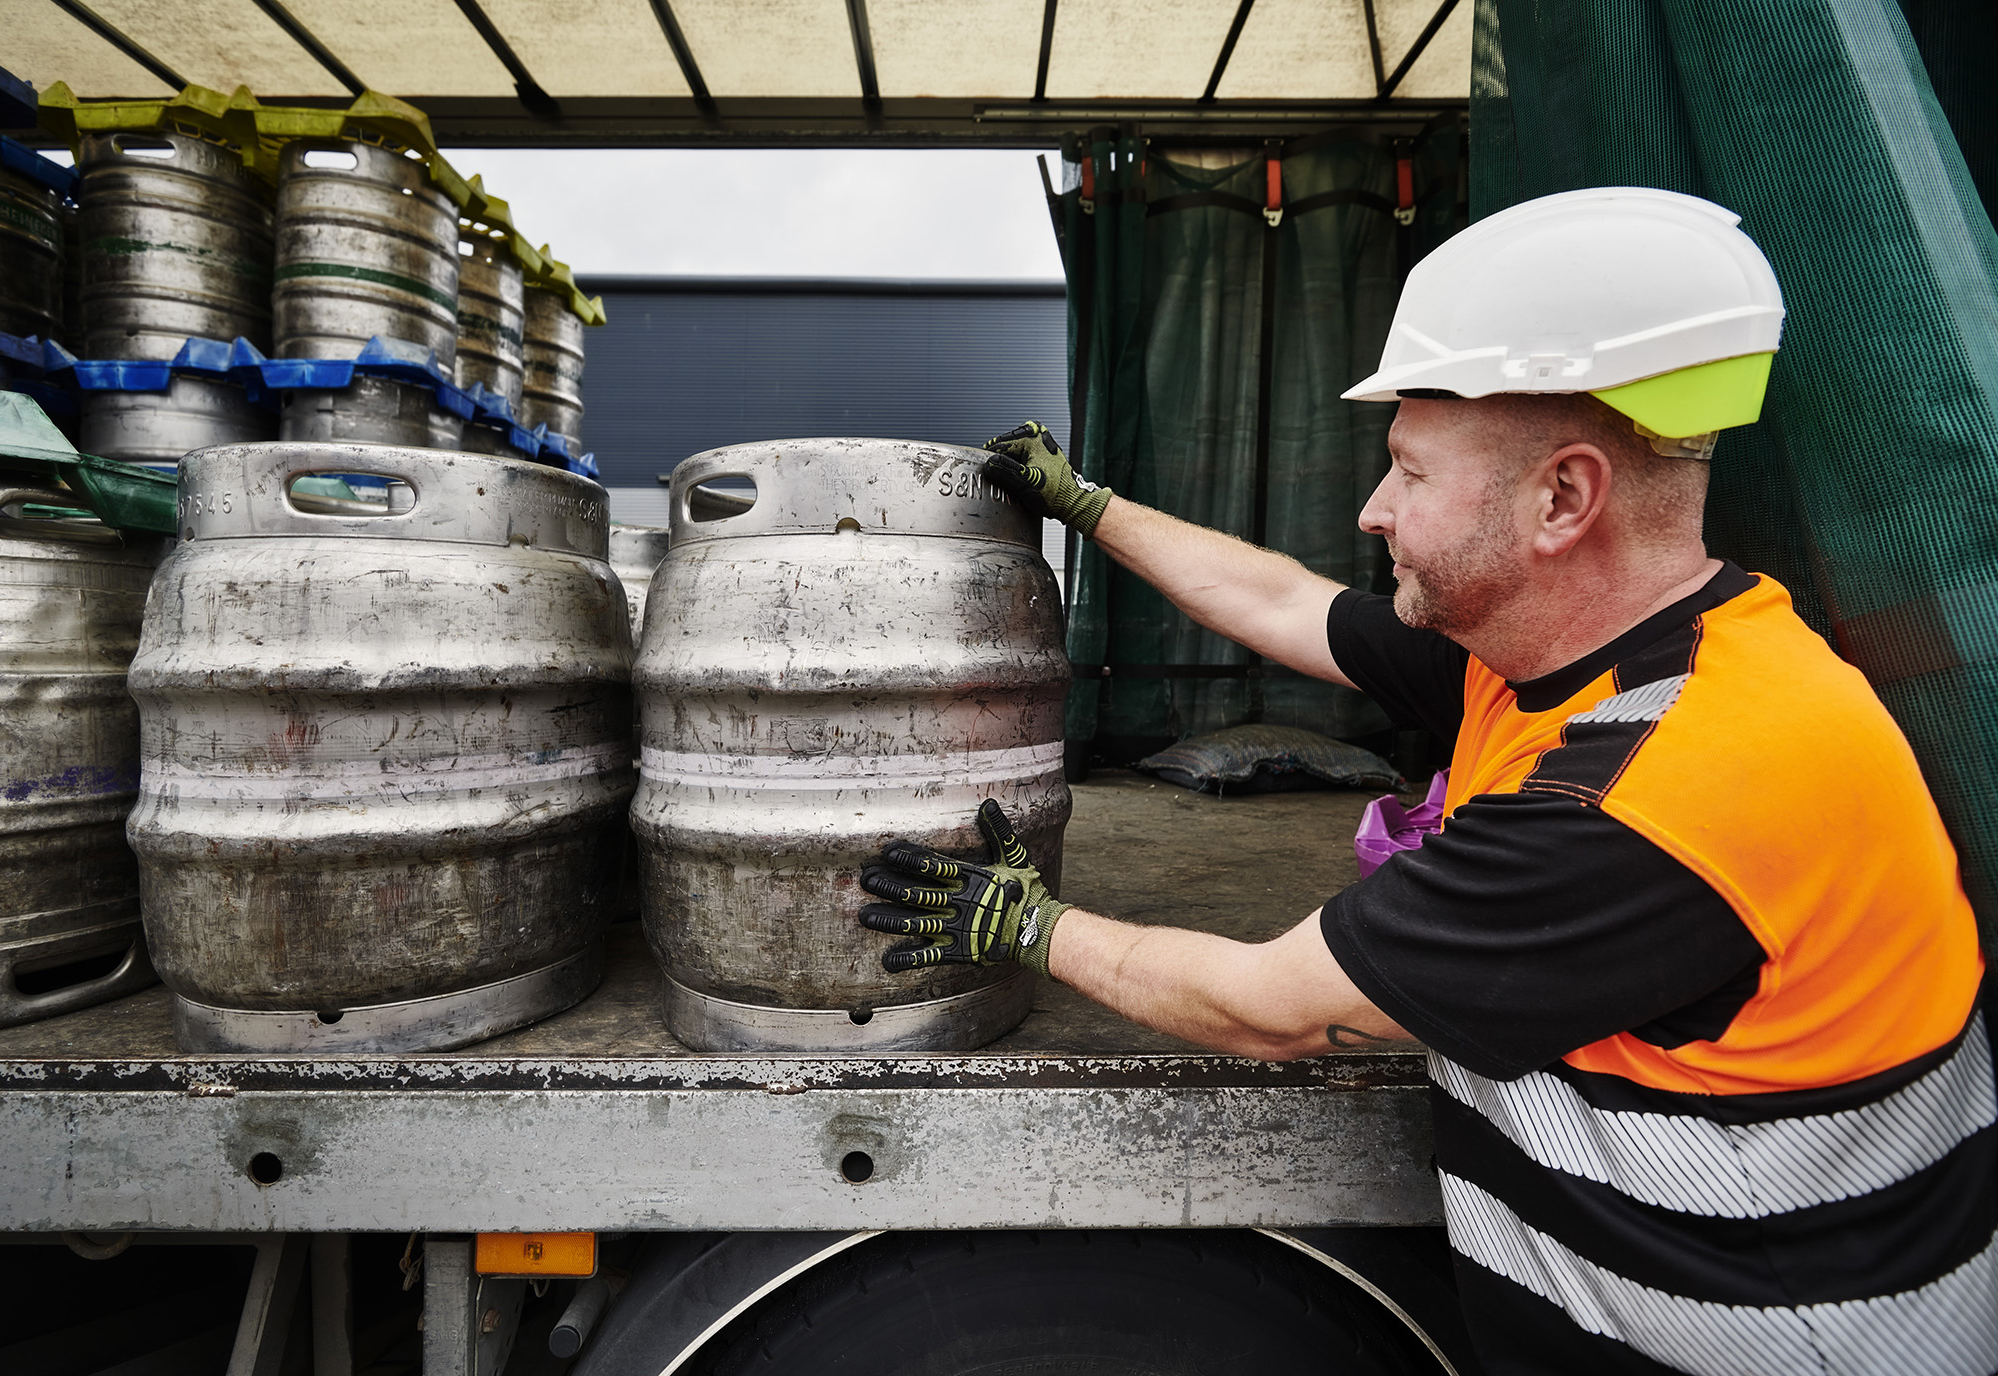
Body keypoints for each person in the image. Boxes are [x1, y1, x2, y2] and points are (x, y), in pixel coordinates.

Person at [855, 188, 1996, 1374]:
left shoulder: (1659, 793)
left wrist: (1028, 924)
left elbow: (1271, 1004)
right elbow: (1285, 602)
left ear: (1562, 497)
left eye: (1407, 469)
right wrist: (1091, 507)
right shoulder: (1578, 653)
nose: (1372, 509)